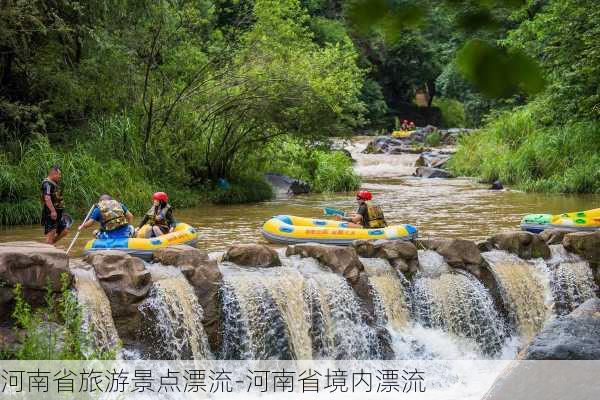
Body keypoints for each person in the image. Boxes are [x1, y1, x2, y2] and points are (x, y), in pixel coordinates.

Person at [41, 165, 69, 244]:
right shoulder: (47, 184)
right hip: (51, 214)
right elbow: (47, 198)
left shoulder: (53, 183)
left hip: (58, 213)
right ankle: (48, 248)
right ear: (53, 173)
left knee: (65, 231)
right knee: (50, 235)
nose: (60, 176)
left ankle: (51, 245)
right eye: (59, 174)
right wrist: (53, 211)